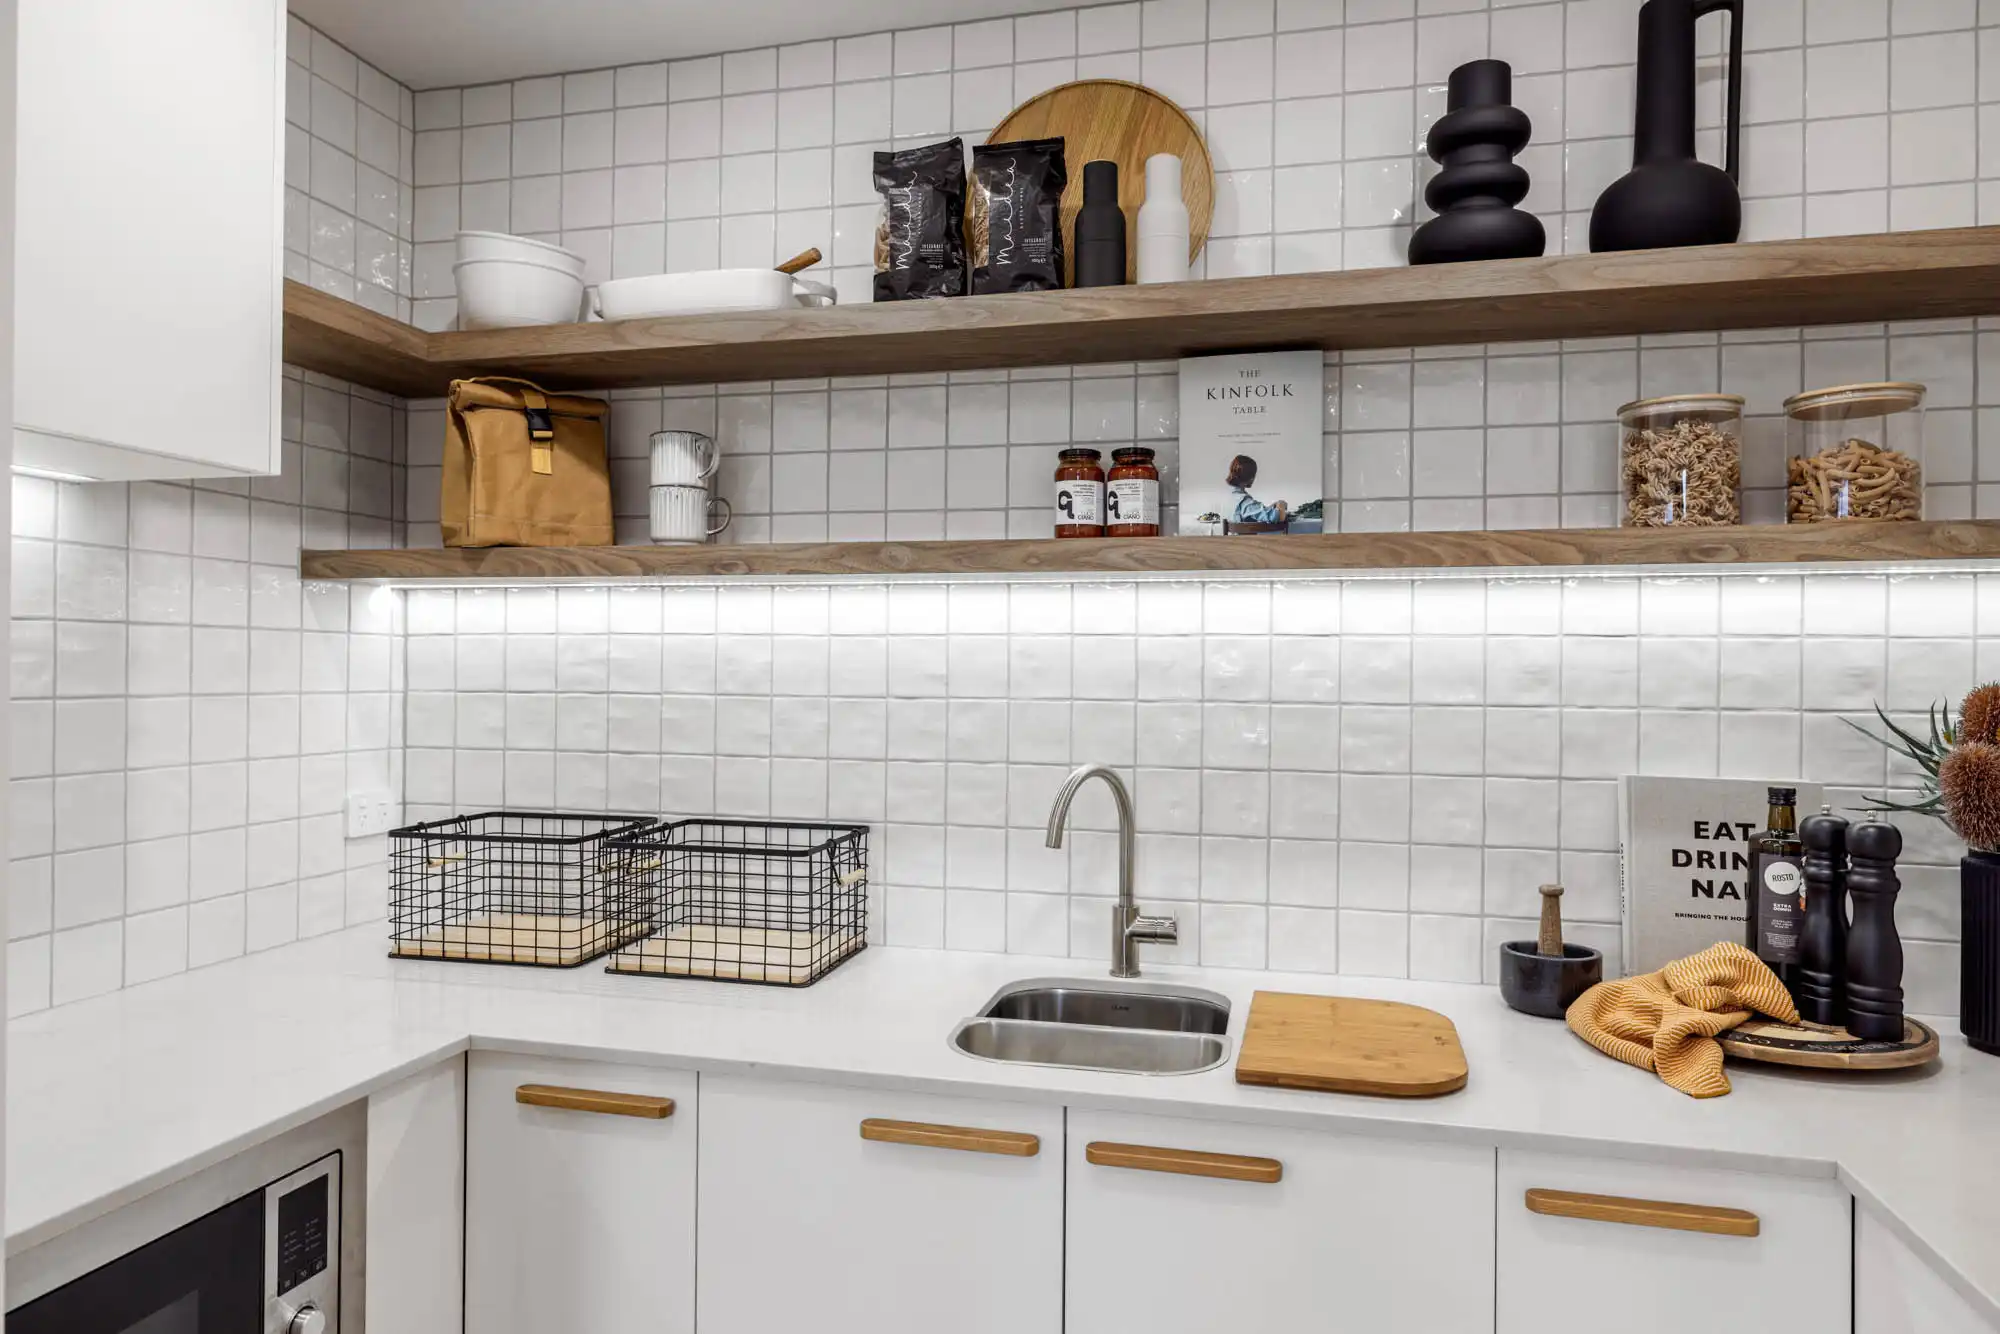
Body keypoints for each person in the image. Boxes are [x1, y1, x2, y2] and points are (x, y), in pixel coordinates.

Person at [1226, 454, 1288, 526]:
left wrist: (1269, 508)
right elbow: (1277, 517)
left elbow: (1252, 511)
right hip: (1245, 538)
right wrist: (1281, 504)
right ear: (1250, 477)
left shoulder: (1230, 497)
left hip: (1231, 537)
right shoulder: (1244, 502)